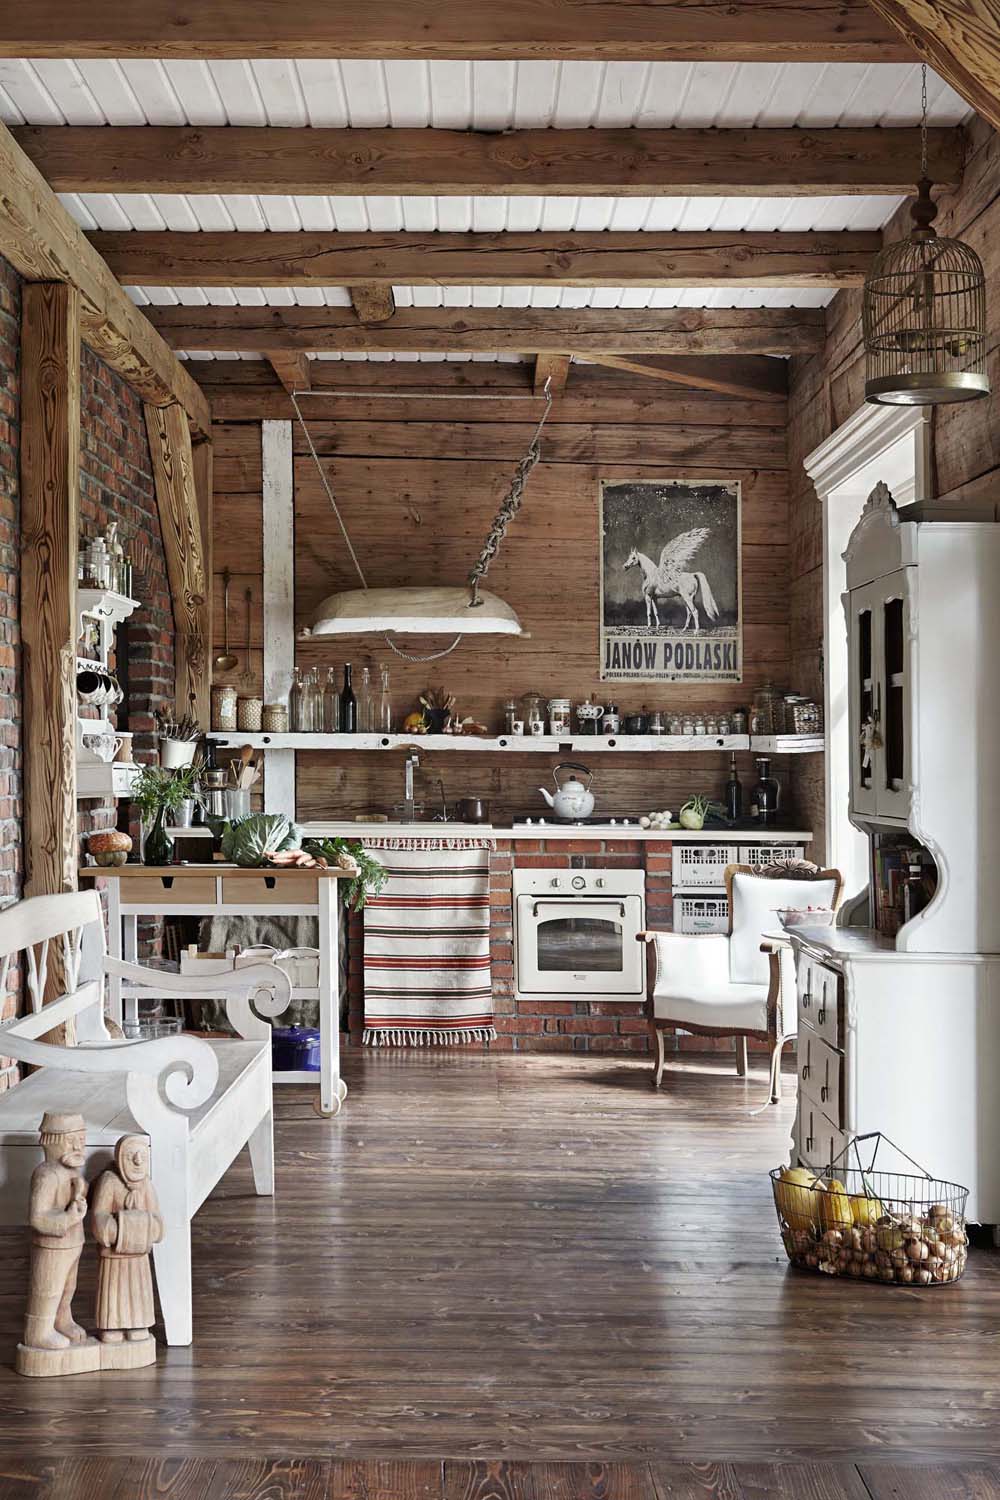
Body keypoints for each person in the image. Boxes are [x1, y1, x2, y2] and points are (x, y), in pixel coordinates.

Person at [22, 1111, 89, 1351]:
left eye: (81, 1140)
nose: (78, 1147)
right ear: (52, 1142)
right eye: (71, 1141)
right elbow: (37, 1218)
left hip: (73, 1242)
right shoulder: (46, 1174)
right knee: (48, 1289)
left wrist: (81, 1193)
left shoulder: (72, 1172)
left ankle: (62, 1320)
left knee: (68, 1287)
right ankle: (38, 1331)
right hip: (52, 1246)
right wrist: (68, 1217)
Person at [90, 1134, 163, 1343]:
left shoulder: (146, 1185)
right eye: (131, 1155)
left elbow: (158, 1220)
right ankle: (111, 1325)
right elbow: (99, 1216)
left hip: (138, 1255)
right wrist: (118, 1228)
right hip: (114, 1255)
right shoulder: (109, 1181)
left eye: (142, 1156)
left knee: (137, 1291)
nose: (138, 1161)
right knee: (114, 1290)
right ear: (120, 1157)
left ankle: (138, 1324)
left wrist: (147, 1227)